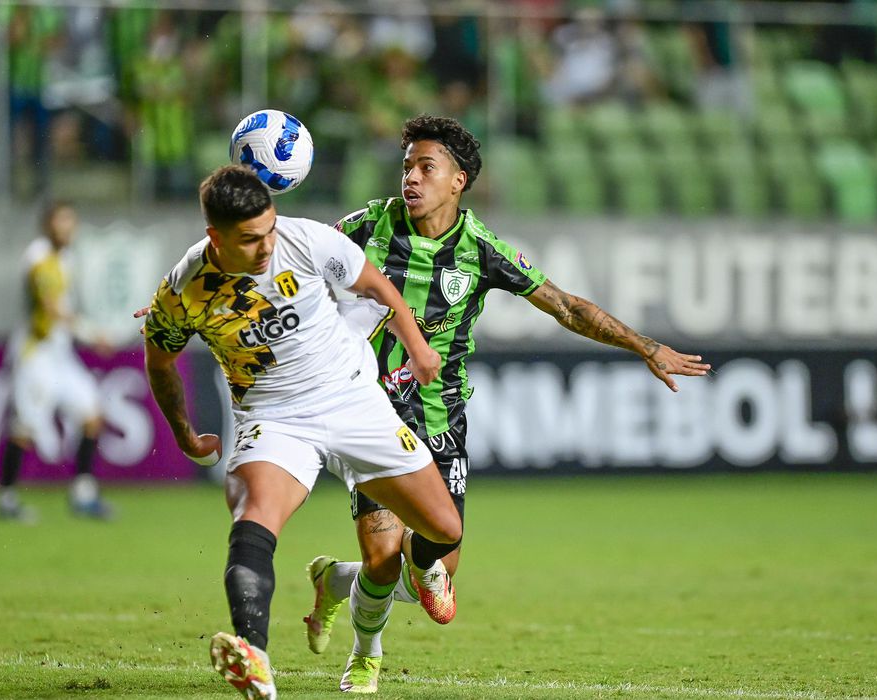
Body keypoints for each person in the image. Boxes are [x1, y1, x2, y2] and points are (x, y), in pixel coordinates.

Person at [300, 115, 711, 692]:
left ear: (458, 180)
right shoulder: (366, 226)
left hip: (442, 418)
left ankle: (337, 581)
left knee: (433, 569)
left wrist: (643, 346)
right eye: (407, 167)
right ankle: (366, 657)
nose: (411, 179)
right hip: (370, 414)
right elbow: (294, 263)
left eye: (426, 167)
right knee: (386, 555)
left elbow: (565, 306)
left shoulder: (481, 250)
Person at [142, 164, 465, 698]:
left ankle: (340, 579)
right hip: (274, 419)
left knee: (445, 530)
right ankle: (255, 659)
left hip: (354, 400)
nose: (267, 246)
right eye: (250, 239)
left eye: (269, 229)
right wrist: (183, 433)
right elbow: (159, 361)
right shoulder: (184, 289)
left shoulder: (305, 239)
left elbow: (379, 288)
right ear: (214, 237)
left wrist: (418, 347)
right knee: (254, 519)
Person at [0, 202, 114, 523]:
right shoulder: (39, 258)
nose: (68, 229)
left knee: (92, 415)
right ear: (48, 225)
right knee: (25, 429)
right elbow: (50, 307)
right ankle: (7, 499)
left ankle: (83, 495)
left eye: (71, 222)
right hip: (36, 354)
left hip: (61, 354)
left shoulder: (65, 258)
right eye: (62, 222)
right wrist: (91, 334)